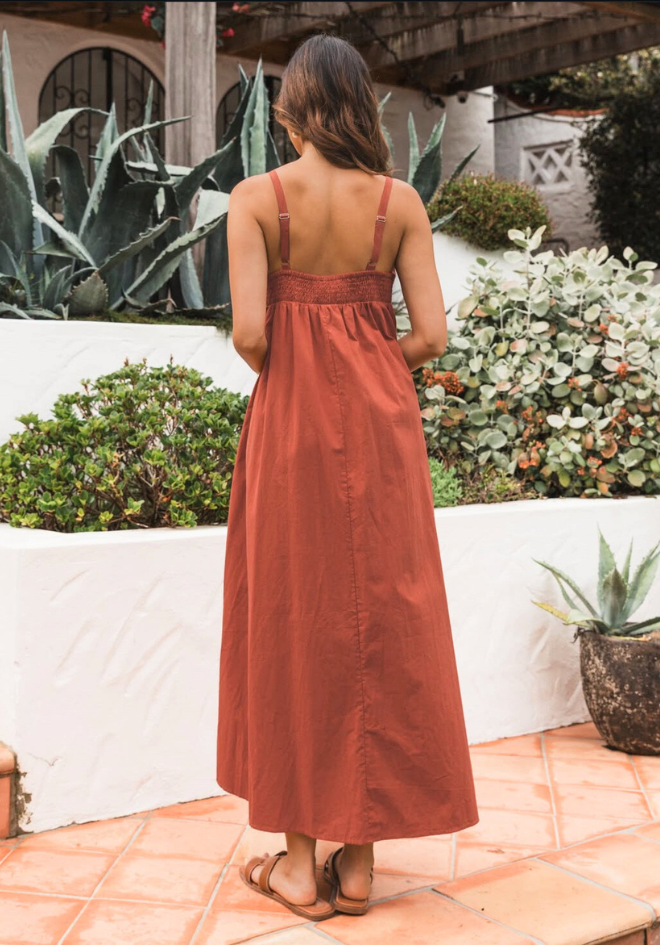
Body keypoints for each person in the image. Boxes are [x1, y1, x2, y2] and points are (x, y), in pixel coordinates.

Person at [216, 33, 479, 921]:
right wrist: (368, 362)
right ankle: (358, 865)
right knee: (381, 611)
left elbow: (251, 334)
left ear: (293, 107)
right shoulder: (398, 201)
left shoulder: (255, 200)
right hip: (381, 426)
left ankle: (299, 865)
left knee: (294, 613)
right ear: (361, 105)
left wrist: (304, 365)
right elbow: (432, 336)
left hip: (289, 423)